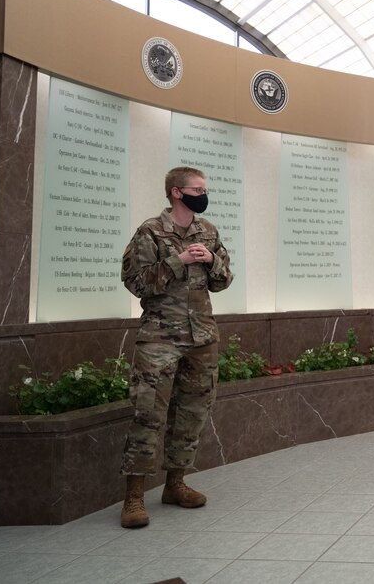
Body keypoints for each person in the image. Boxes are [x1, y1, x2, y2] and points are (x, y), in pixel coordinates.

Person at [118, 167, 234, 528]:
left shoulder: (208, 232)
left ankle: (175, 484)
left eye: (205, 188)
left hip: (202, 337)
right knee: (148, 413)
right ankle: (134, 497)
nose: (203, 193)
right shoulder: (150, 231)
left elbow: (225, 280)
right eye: (197, 188)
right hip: (159, 338)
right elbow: (135, 282)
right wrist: (177, 261)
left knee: (193, 413)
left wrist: (211, 260)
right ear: (176, 193)